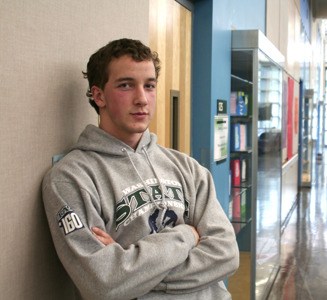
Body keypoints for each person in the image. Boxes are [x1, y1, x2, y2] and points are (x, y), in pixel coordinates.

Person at [42, 38, 239, 300]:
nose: (142, 99)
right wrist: (186, 235)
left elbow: (226, 254)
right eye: (126, 85)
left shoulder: (188, 169)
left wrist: (136, 273)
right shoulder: (71, 178)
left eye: (149, 86)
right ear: (98, 95)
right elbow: (104, 283)